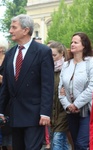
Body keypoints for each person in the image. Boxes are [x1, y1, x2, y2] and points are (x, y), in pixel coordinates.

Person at [0, 14, 54, 150]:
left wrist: (45, 113)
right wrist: (0, 110)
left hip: (35, 114)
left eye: (14, 27)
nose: (10, 31)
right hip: (15, 114)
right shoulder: (11, 54)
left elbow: (47, 84)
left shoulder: (43, 51)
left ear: (25, 30)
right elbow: (6, 86)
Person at [59, 32, 93, 150]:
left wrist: (76, 104)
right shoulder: (66, 65)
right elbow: (61, 89)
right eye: (71, 42)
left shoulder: (91, 62)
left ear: (84, 45)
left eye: (76, 42)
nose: (72, 44)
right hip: (71, 111)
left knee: (82, 143)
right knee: (75, 143)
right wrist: (68, 105)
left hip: (88, 110)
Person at [49, 41, 72, 150]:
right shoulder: (47, 69)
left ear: (62, 53)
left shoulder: (68, 67)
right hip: (51, 110)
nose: (51, 58)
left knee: (58, 139)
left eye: (54, 55)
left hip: (64, 109)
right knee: (59, 140)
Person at [0, 37, 12, 150]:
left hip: (6, 100)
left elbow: (12, 80)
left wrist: (2, 79)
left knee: (8, 138)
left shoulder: (8, 59)